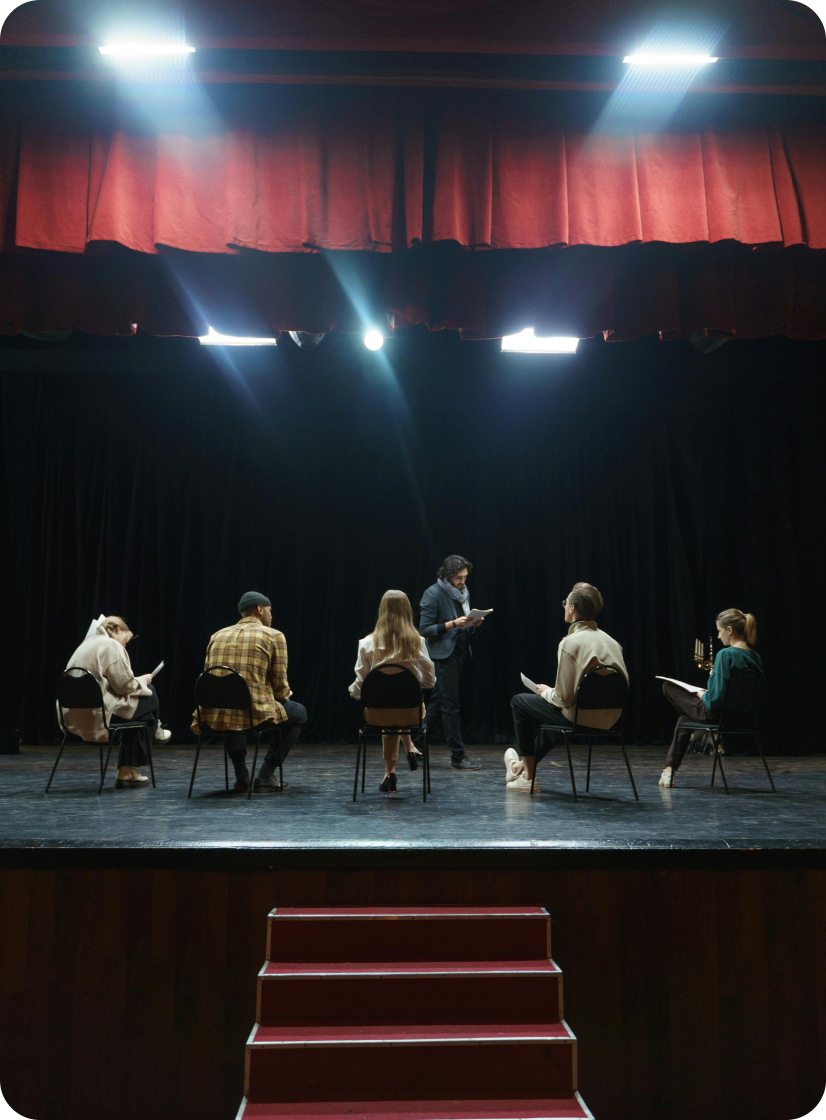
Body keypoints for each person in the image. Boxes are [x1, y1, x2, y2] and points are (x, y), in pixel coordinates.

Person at [506, 583, 628, 793]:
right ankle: (519, 766)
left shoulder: (570, 643)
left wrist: (544, 691)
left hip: (579, 717)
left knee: (519, 702)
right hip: (612, 720)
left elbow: (564, 698)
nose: (564, 606)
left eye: (565, 603)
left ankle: (527, 777)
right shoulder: (613, 643)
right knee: (554, 718)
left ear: (572, 609)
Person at [192, 591, 307, 792]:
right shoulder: (274, 636)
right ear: (260, 610)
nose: (272, 616)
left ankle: (241, 775)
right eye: (270, 611)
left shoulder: (216, 635)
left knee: (230, 707)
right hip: (254, 712)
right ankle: (265, 774)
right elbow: (280, 685)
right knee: (299, 713)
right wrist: (281, 698)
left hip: (213, 712)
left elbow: (211, 679)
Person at [60, 614, 170, 789]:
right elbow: (124, 686)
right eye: (125, 641)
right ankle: (155, 729)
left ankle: (129, 768)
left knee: (140, 715)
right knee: (150, 695)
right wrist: (142, 680)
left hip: (71, 714)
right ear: (118, 630)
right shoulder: (111, 645)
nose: (124, 645)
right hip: (100, 715)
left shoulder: (86, 644)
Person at [659, 608, 762, 787]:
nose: (719, 636)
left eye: (719, 631)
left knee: (668, 686)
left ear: (729, 630)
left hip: (715, 715)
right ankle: (669, 771)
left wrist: (700, 694)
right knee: (684, 720)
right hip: (742, 717)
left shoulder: (726, 654)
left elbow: (715, 701)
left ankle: (670, 771)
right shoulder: (755, 658)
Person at [350, 589, 436, 794]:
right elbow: (430, 681)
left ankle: (390, 773)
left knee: (387, 707)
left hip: (376, 716)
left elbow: (360, 684)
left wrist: (354, 693)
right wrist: (412, 686)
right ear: (407, 612)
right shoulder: (417, 642)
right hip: (411, 714)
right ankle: (410, 749)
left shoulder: (366, 643)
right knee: (399, 705)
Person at [419, 554, 486, 770]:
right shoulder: (433, 593)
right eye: (458, 577)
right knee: (450, 705)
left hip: (460, 651)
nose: (462, 581)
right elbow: (425, 629)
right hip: (444, 655)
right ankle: (458, 756)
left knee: (439, 702)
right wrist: (452, 624)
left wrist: (473, 622)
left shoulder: (462, 593)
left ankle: (416, 746)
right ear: (447, 575)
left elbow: (464, 621)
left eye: (465, 577)